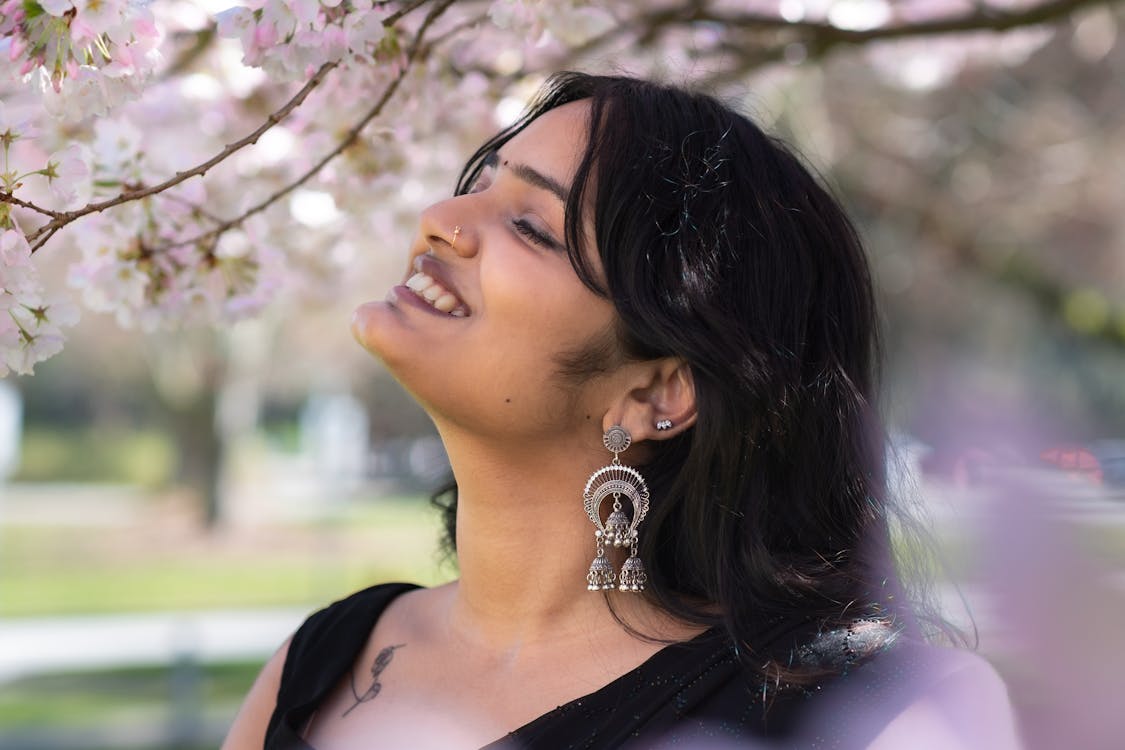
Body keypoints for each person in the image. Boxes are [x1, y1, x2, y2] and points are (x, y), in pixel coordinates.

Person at [222, 72, 1021, 749]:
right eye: (478, 183)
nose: (443, 220)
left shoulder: (883, 712)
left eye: (531, 227)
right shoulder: (322, 662)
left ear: (655, 392)